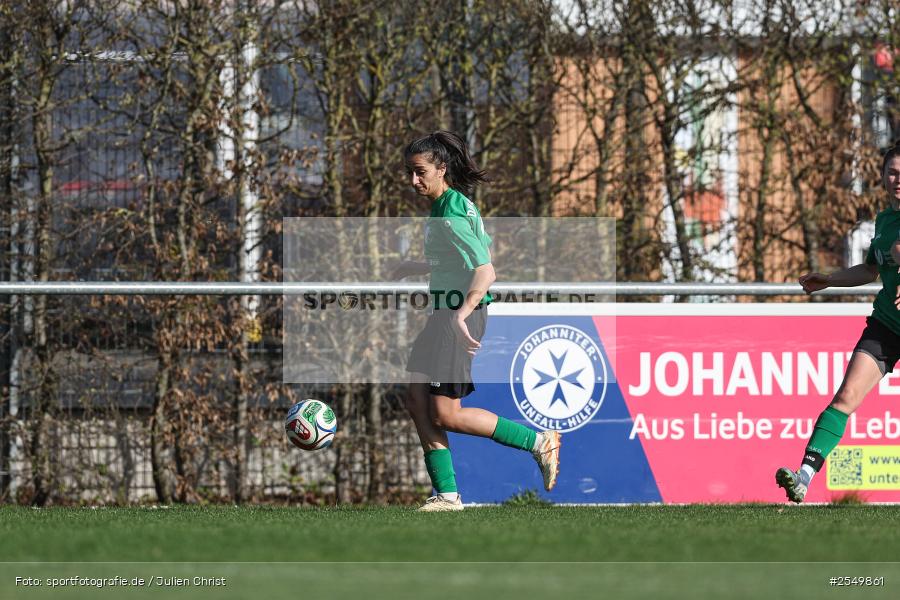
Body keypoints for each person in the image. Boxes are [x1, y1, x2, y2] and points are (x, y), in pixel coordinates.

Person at [393, 130, 561, 512]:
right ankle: (447, 496)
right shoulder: (448, 206)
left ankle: (539, 442)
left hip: (456, 317)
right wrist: (417, 267)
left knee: (446, 413)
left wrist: (463, 315)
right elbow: (460, 259)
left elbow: (486, 271)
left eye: (419, 172)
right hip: (444, 315)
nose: (413, 181)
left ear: (441, 168)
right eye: (409, 172)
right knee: (416, 399)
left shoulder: (450, 211)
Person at [776, 141, 900, 503]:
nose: (898, 179)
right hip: (888, 326)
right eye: (892, 172)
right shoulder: (884, 221)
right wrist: (829, 279)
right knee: (845, 397)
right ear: (882, 176)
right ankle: (803, 477)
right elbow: (870, 269)